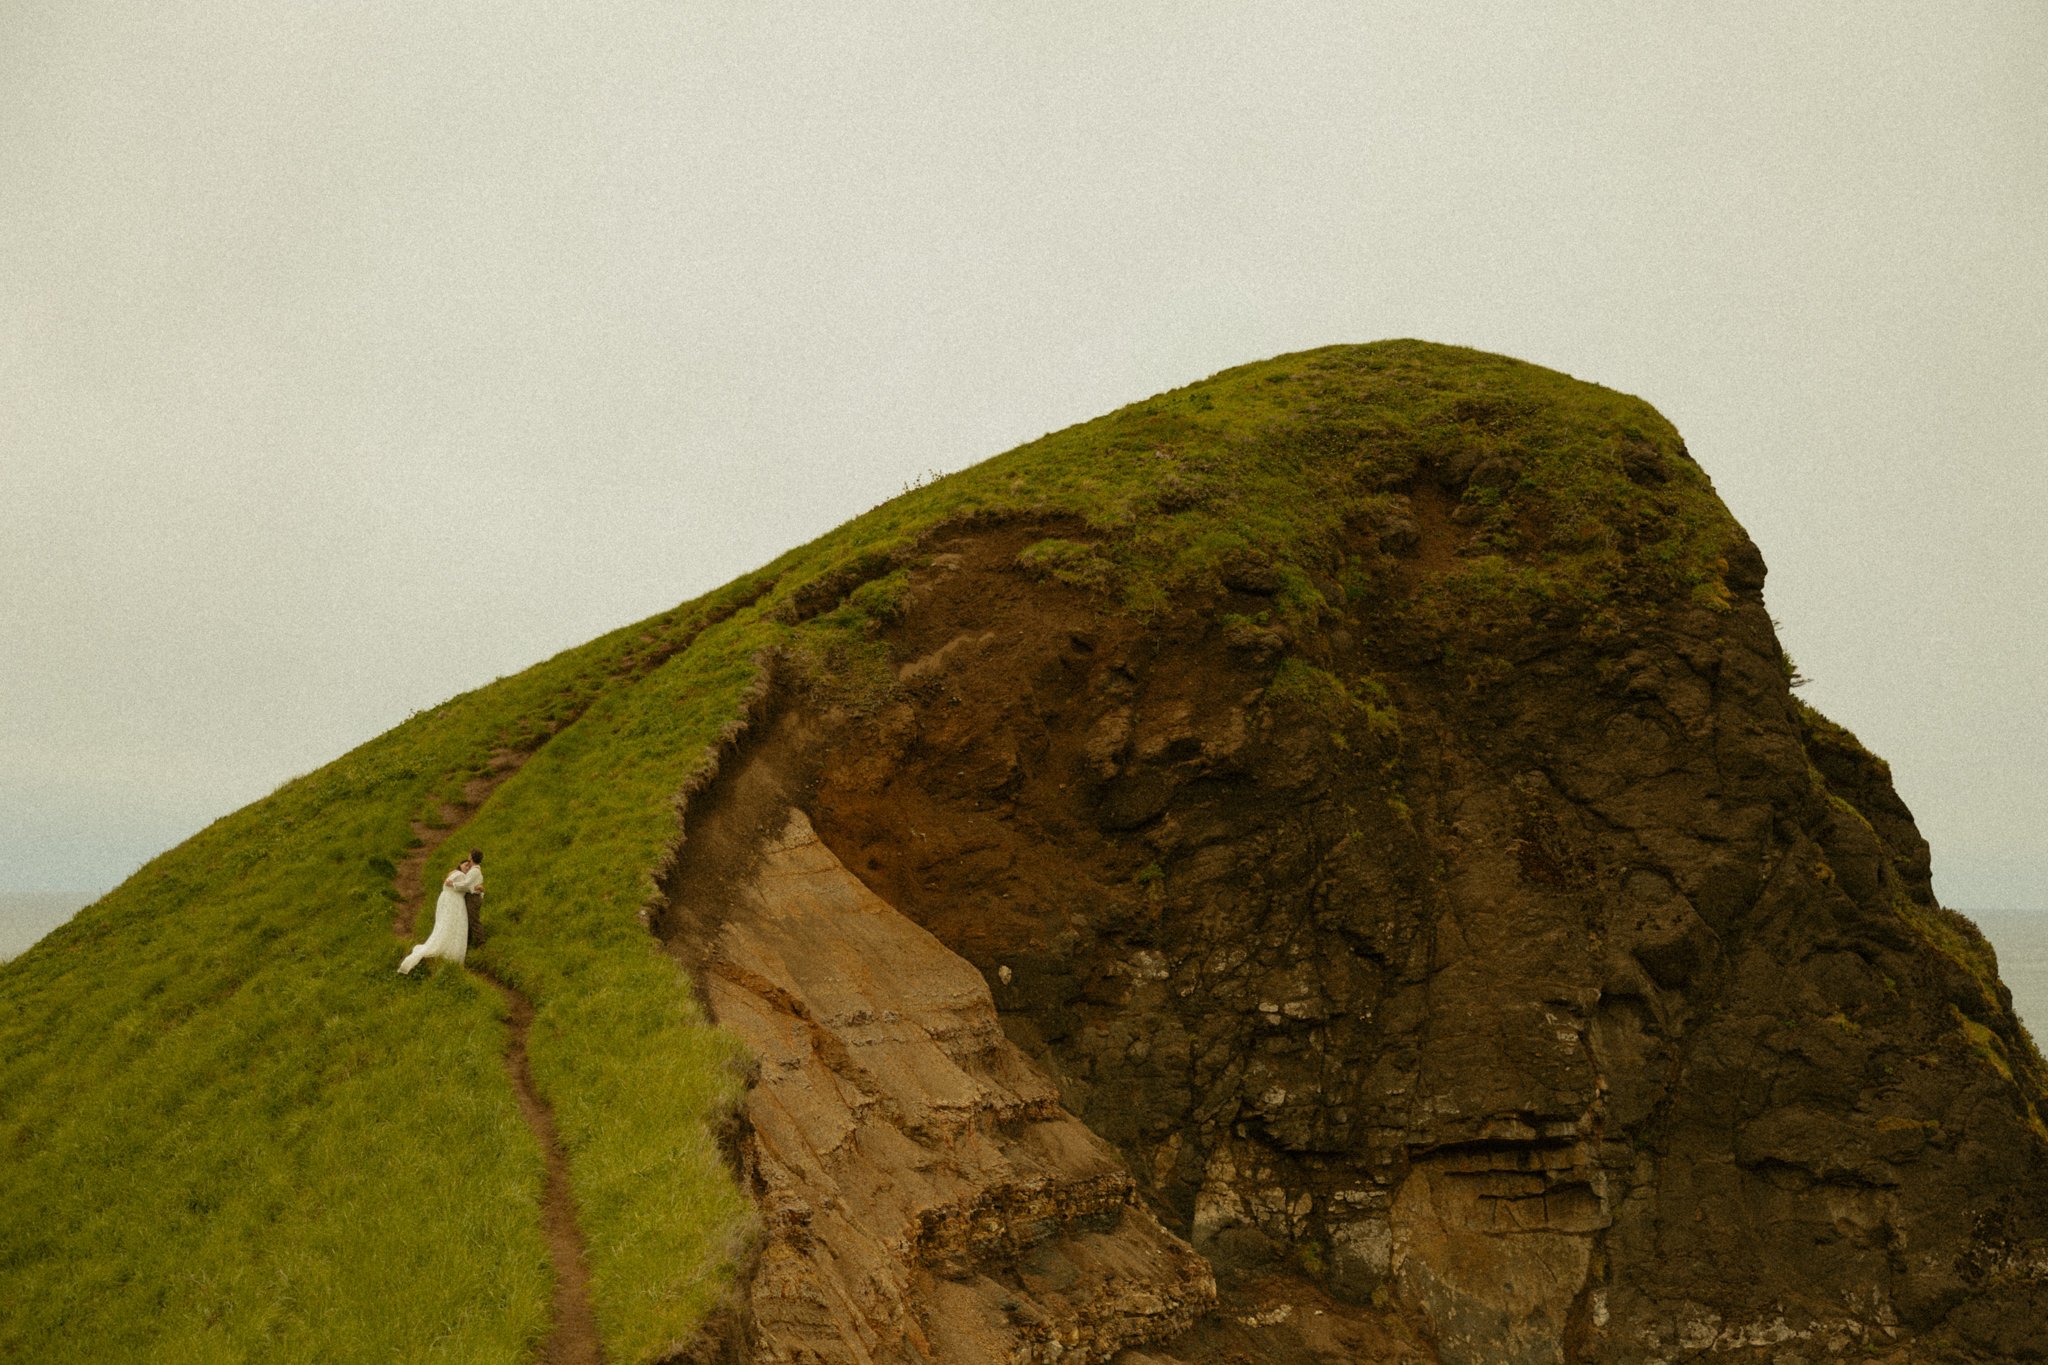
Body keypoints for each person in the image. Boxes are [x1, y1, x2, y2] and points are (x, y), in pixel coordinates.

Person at [399, 851, 484, 974]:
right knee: (453, 924)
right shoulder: (459, 875)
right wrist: (477, 888)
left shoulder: (461, 875)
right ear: (459, 865)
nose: (467, 866)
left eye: (468, 865)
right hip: (454, 903)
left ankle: (472, 944)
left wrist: (478, 888)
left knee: (455, 924)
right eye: (465, 865)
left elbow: (467, 886)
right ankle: (463, 947)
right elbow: (466, 887)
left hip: (455, 902)